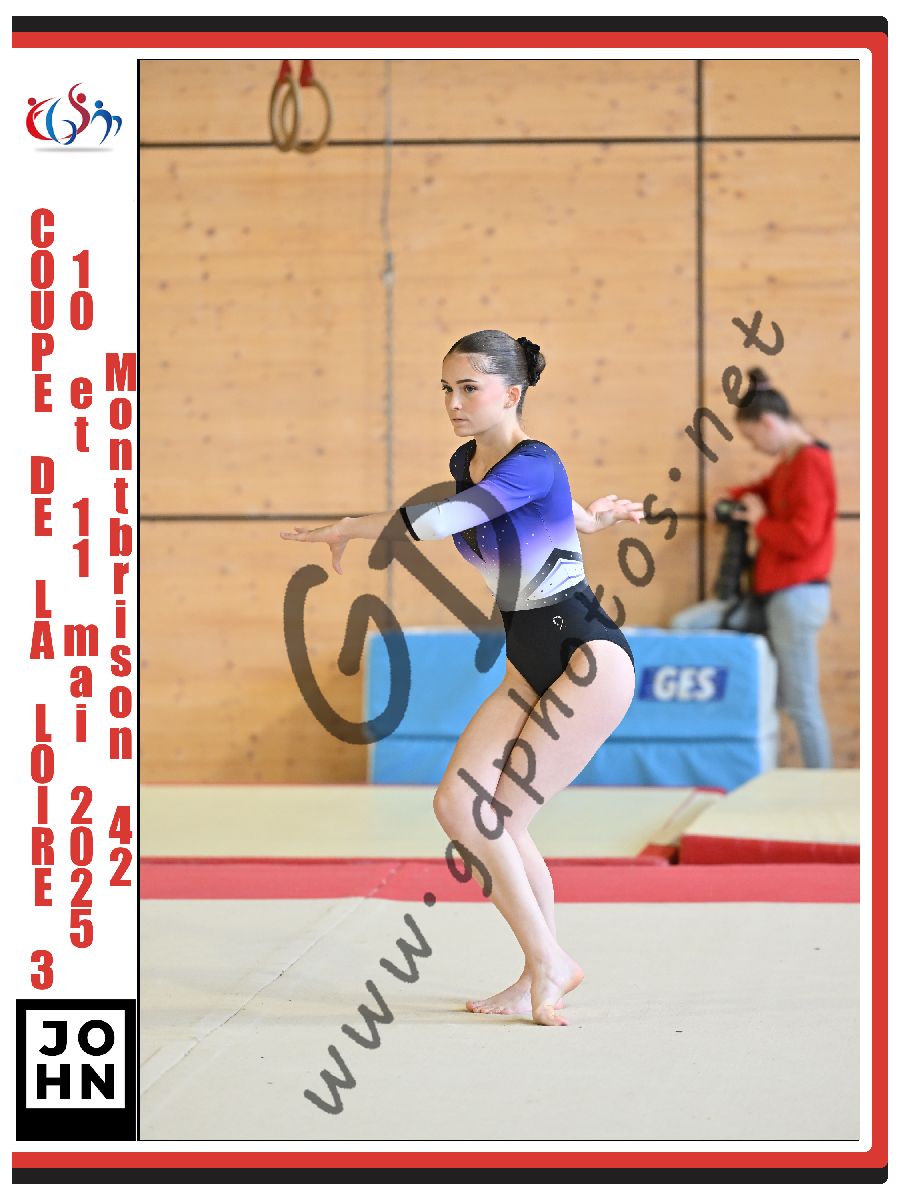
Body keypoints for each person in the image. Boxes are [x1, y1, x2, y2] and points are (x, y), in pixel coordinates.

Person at [281, 329, 644, 1025]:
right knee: (458, 806)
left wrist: (352, 525)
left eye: (468, 388)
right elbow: (546, 507)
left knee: (502, 817)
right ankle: (544, 966)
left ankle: (547, 965)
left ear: (511, 393)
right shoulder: (471, 461)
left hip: (586, 656)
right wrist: (592, 522)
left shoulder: (535, 459)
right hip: (527, 658)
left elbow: (455, 517)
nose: (453, 402)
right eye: (446, 388)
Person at [670, 367, 837, 768]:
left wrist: (759, 523)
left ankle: (825, 786)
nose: (755, 447)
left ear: (768, 423)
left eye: (752, 438)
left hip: (796, 598)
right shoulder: (789, 465)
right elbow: (760, 490)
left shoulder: (810, 463)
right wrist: (726, 496)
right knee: (691, 627)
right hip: (773, 598)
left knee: (801, 703)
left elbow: (804, 539)